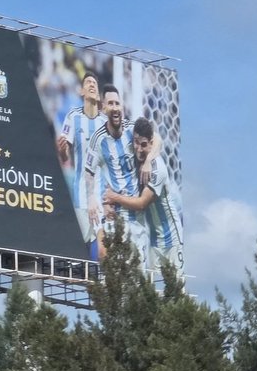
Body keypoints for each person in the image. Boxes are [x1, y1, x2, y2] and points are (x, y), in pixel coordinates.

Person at [85, 84, 158, 268]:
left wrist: (148, 159)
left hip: (136, 218)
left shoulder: (132, 129)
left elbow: (157, 139)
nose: (115, 107)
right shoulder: (98, 139)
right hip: (114, 216)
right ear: (103, 108)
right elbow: (89, 171)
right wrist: (92, 197)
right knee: (114, 277)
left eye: (118, 103)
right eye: (111, 103)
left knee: (139, 280)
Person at [103, 116, 184, 279]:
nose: (139, 149)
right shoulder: (135, 157)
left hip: (171, 238)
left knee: (177, 290)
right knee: (150, 294)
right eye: (136, 143)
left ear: (151, 143)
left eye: (144, 145)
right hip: (153, 240)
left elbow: (141, 204)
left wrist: (114, 197)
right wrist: (106, 202)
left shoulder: (157, 168)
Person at [56, 71, 103, 244]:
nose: (91, 84)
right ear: (81, 91)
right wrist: (62, 150)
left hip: (103, 194)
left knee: (103, 246)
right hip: (81, 193)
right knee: (82, 245)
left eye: (94, 83)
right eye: (88, 82)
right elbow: (65, 154)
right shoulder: (73, 116)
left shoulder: (105, 123)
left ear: (97, 94)